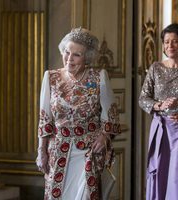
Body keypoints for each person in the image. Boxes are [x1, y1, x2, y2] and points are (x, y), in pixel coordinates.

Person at [36, 27, 121, 200]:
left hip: (88, 152)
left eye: (77, 55)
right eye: (67, 52)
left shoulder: (99, 78)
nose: (69, 59)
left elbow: (111, 115)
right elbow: (45, 119)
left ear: (87, 57)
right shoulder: (51, 78)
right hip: (58, 150)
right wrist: (41, 151)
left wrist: (104, 135)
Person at [139, 23, 178, 200]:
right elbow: (143, 99)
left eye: (175, 41)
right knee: (162, 172)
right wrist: (160, 106)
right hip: (161, 130)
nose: (170, 46)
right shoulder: (156, 68)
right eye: (167, 42)